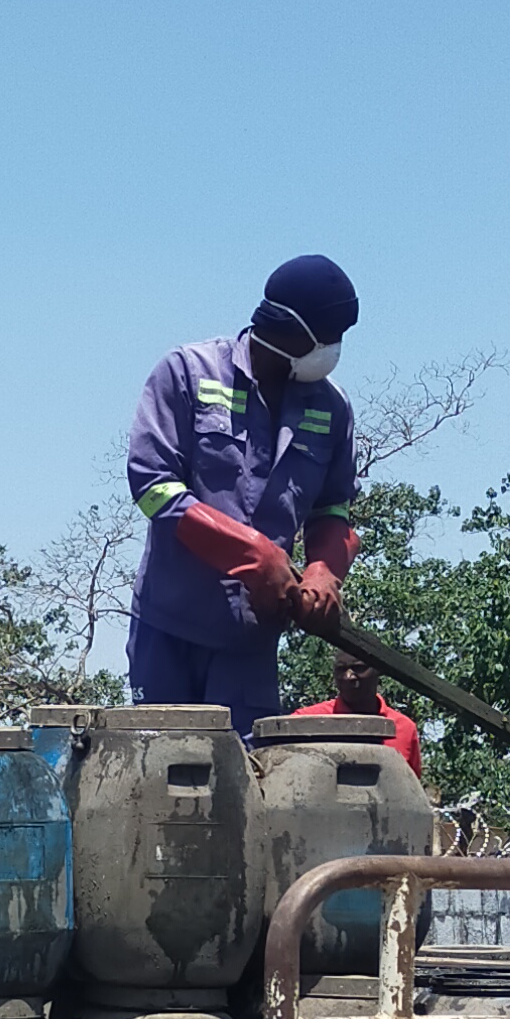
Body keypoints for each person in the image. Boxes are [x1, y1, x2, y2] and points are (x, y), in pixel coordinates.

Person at [125, 254, 361, 739]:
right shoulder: (187, 374)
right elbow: (152, 485)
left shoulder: (332, 408)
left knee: (242, 789)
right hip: (168, 630)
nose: (335, 349)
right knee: (161, 780)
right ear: (290, 327)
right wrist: (252, 556)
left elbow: (333, 508)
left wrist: (324, 569)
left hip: (249, 645)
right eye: (329, 336)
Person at [292, 652, 424, 775]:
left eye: (359, 668)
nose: (348, 676)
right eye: (340, 669)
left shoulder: (404, 728)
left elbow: (411, 790)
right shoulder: (305, 721)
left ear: (378, 670)